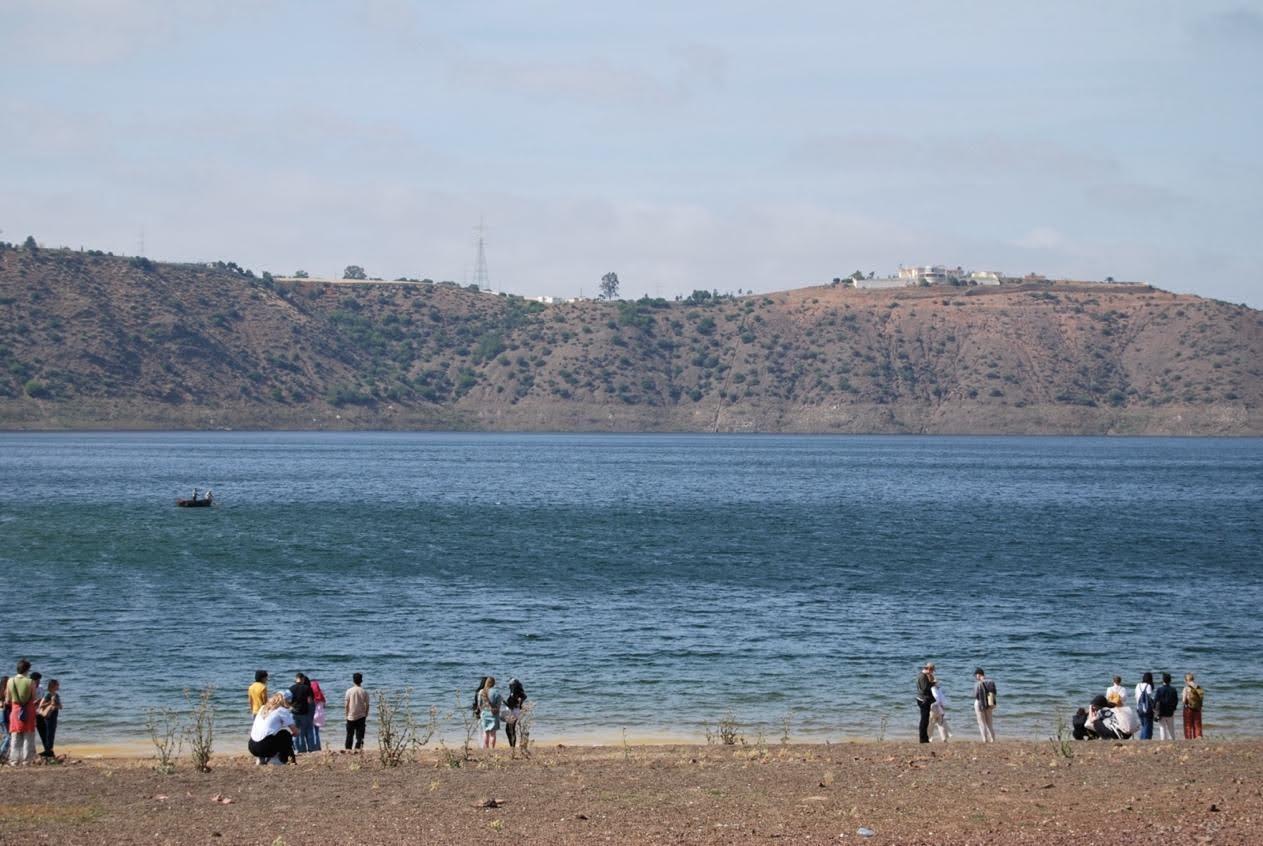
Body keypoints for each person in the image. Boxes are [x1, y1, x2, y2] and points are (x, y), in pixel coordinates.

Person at [249, 691, 297, 765]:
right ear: (285, 701)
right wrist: (295, 733)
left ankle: (260, 758)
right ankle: (276, 759)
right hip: (265, 747)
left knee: (267, 736)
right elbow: (295, 731)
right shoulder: (281, 710)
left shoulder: (262, 708)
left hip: (252, 746)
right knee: (285, 734)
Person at [5, 659, 38, 766]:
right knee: (28, 736)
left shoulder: (10, 681)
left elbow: (8, 699)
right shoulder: (30, 682)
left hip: (15, 710)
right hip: (28, 710)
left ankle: (14, 760)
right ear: (27, 669)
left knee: (15, 735)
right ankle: (26, 760)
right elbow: (33, 698)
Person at [288, 673, 316, 753]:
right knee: (309, 730)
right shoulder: (307, 688)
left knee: (296, 732)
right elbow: (310, 701)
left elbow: (286, 700)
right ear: (303, 679)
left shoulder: (291, 688)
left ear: (296, 678)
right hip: (304, 712)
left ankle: (298, 750)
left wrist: (291, 706)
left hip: (294, 713)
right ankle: (311, 749)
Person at [344, 673, 369, 752]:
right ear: (361, 681)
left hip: (351, 716)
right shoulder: (364, 691)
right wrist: (366, 714)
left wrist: (346, 715)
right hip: (361, 716)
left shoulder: (349, 691)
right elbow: (367, 705)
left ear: (353, 680)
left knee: (349, 735)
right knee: (360, 735)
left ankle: (348, 749)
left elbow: (346, 705)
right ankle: (358, 748)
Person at [37, 679, 61, 759]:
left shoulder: (56, 695)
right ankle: (48, 750)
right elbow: (41, 706)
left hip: (54, 716)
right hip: (48, 717)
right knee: (48, 734)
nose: (58, 686)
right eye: (57, 684)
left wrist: (56, 705)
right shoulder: (48, 695)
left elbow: (60, 707)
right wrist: (50, 702)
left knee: (52, 734)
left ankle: (50, 750)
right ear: (53, 686)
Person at [973, 667, 996, 742]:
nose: (976, 677)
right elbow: (994, 692)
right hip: (989, 704)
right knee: (989, 722)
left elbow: (975, 695)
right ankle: (992, 738)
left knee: (981, 722)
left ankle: (985, 739)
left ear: (978, 674)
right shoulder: (991, 681)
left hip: (979, 704)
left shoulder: (977, 684)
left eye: (976, 675)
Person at [478, 676, 502, 749]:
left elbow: (479, 705)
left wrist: (483, 711)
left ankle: (486, 748)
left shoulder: (481, 691)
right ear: (494, 683)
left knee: (485, 733)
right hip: (494, 714)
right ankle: (492, 749)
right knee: (493, 734)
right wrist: (496, 710)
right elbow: (498, 705)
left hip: (484, 714)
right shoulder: (496, 692)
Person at [1153, 672, 1179, 741]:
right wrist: (1174, 708)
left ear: (1163, 680)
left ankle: (1163, 740)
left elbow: (1155, 700)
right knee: (1171, 727)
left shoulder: (1159, 689)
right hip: (1170, 711)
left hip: (1161, 711)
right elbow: (1176, 700)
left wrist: (1154, 709)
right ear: (1170, 680)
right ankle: (1173, 739)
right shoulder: (1173, 689)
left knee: (1162, 727)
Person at [504, 679, 527, 748]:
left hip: (513, 711)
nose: (509, 686)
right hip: (516, 711)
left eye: (510, 685)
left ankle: (512, 746)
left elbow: (511, 705)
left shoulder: (514, 692)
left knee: (509, 729)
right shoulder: (519, 692)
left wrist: (503, 702)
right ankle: (512, 745)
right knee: (511, 729)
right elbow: (523, 698)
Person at [915, 663, 935, 744]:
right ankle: (922, 739)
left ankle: (925, 738)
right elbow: (924, 688)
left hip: (922, 699)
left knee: (925, 720)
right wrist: (933, 684)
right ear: (929, 669)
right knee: (924, 720)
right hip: (923, 700)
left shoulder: (921, 675)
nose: (932, 673)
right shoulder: (922, 676)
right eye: (932, 671)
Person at [1182, 673, 1204, 739]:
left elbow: (1183, 700)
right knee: (1197, 725)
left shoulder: (1186, 688)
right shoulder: (1198, 687)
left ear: (1186, 680)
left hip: (1188, 708)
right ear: (1193, 679)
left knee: (1188, 726)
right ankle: (1198, 738)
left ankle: (1188, 740)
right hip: (1198, 708)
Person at [1134, 672, 1156, 740]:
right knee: (1147, 725)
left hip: (1138, 708)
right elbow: (1149, 698)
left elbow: (1136, 696)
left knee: (1143, 725)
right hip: (1146, 709)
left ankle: (1142, 739)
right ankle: (1145, 740)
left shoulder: (1138, 685)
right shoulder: (1148, 686)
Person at [310, 679, 326, 751]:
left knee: (312, 733)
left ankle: (314, 747)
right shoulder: (321, 695)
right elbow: (324, 705)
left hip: (313, 715)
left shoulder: (311, 696)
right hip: (320, 715)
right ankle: (318, 747)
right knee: (316, 732)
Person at [0, 674, 10, 763]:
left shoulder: (1, 692)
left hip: (1, 715)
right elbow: (6, 704)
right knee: (8, 736)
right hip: (3, 715)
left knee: (5, 736)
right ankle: (1, 753)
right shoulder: (6, 692)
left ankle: (3, 754)